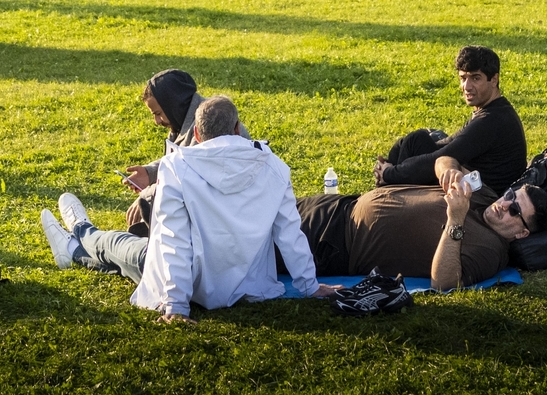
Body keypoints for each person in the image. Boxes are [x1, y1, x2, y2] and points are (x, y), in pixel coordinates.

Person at [38, 96, 331, 323]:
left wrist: (177, 304)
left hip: (184, 281)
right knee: (124, 256)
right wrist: (310, 285)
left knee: (117, 246)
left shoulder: (177, 168)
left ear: (198, 136)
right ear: (237, 129)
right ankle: (73, 250)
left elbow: (172, 240)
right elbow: (290, 233)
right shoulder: (274, 166)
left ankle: (80, 232)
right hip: (246, 283)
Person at [293, 172, 547, 290]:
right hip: (339, 206)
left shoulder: (492, 251)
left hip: (332, 244)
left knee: (255, 242)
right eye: (511, 195)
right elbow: (445, 159)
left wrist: (456, 218)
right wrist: (449, 171)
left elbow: (444, 283)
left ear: (522, 233)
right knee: (261, 207)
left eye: (515, 211)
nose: (505, 204)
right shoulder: (485, 195)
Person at [374, 46, 528, 197]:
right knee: (416, 140)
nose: (467, 87)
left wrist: (390, 173)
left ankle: (389, 196)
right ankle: (387, 192)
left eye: (475, 78)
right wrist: (390, 168)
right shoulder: (492, 110)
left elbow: (440, 157)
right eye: (463, 78)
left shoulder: (492, 120)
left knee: (422, 152)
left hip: (481, 198)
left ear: (494, 80)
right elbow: (448, 143)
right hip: (468, 182)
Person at [120, 70, 227, 235]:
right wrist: (150, 173)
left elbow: (192, 180)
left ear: (173, 104)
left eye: (158, 114)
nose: (157, 122)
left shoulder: (209, 125)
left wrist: (150, 195)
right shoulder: (182, 120)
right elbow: (177, 161)